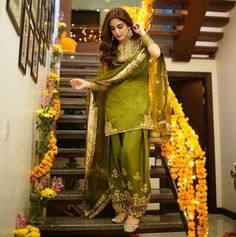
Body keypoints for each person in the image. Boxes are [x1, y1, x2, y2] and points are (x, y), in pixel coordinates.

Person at [70, 7, 169, 233]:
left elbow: (156, 53)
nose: (116, 32)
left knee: (131, 158)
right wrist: (87, 84)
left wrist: (142, 33)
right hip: (114, 111)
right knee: (116, 161)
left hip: (136, 110)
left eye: (120, 26)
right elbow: (106, 82)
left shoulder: (141, 44)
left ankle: (136, 211)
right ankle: (123, 207)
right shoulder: (110, 53)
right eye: (112, 29)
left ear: (128, 24)